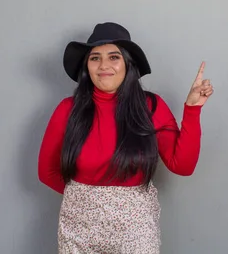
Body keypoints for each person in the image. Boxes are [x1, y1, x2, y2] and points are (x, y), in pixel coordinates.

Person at [37, 22, 214, 253]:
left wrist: (192, 110)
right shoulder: (67, 110)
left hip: (135, 231)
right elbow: (47, 172)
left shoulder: (151, 107)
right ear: (86, 66)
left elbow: (183, 165)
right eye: (95, 58)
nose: (104, 66)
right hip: (78, 231)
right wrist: (89, 201)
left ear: (127, 63)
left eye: (114, 57)